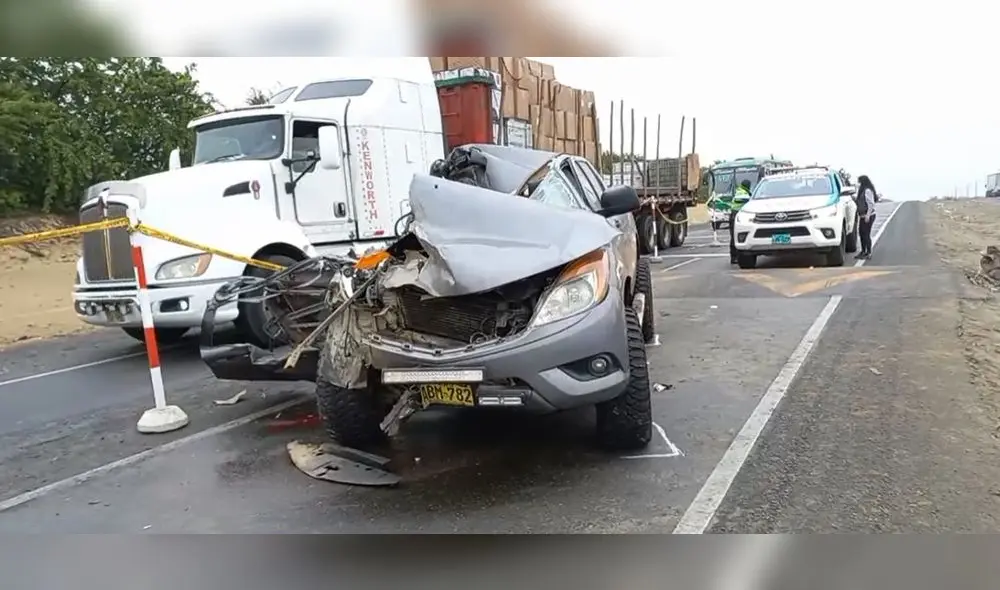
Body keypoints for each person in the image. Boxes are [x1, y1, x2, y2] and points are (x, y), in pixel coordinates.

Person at [730, 180, 752, 264]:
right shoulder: (741, 192)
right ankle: (734, 257)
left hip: (739, 215)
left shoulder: (743, 191)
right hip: (736, 215)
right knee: (734, 237)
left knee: (736, 237)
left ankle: (736, 256)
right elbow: (740, 199)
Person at [855, 174, 877, 259]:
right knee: (861, 233)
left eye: (859, 182)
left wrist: (868, 215)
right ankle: (863, 251)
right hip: (862, 216)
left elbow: (871, 204)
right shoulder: (862, 190)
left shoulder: (867, 190)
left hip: (869, 215)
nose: (859, 184)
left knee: (866, 234)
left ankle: (868, 252)